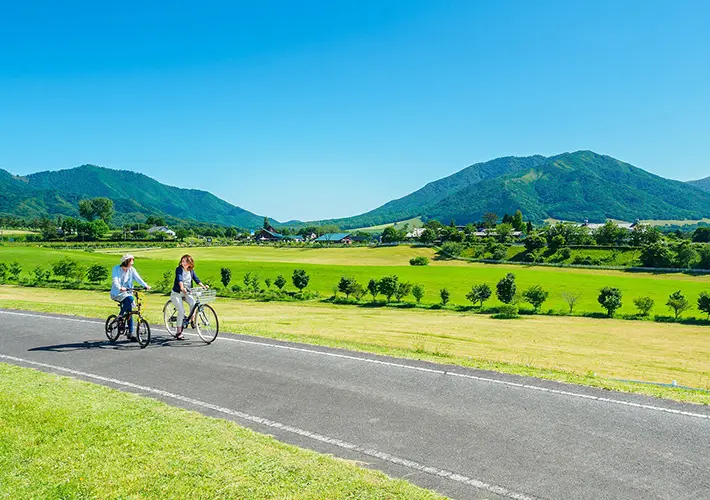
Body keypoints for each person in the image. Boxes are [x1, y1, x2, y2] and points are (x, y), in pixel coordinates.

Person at [110, 253, 151, 341]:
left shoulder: (132, 270)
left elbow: (138, 278)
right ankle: (120, 316)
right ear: (126, 262)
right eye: (131, 261)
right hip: (117, 292)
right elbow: (115, 280)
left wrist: (146, 285)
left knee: (129, 311)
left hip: (128, 292)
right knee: (130, 299)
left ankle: (130, 333)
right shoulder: (116, 269)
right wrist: (120, 288)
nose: (132, 264)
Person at [170, 254, 208, 339]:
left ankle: (192, 321)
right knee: (181, 311)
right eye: (182, 261)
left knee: (193, 303)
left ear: (190, 263)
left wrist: (203, 286)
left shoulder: (191, 271)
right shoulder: (179, 269)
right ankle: (179, 332)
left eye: (186, 261)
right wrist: (182, 287)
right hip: (177, 293)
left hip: (187, 292)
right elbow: (179, 279)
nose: (184, 263)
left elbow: (196, 279)